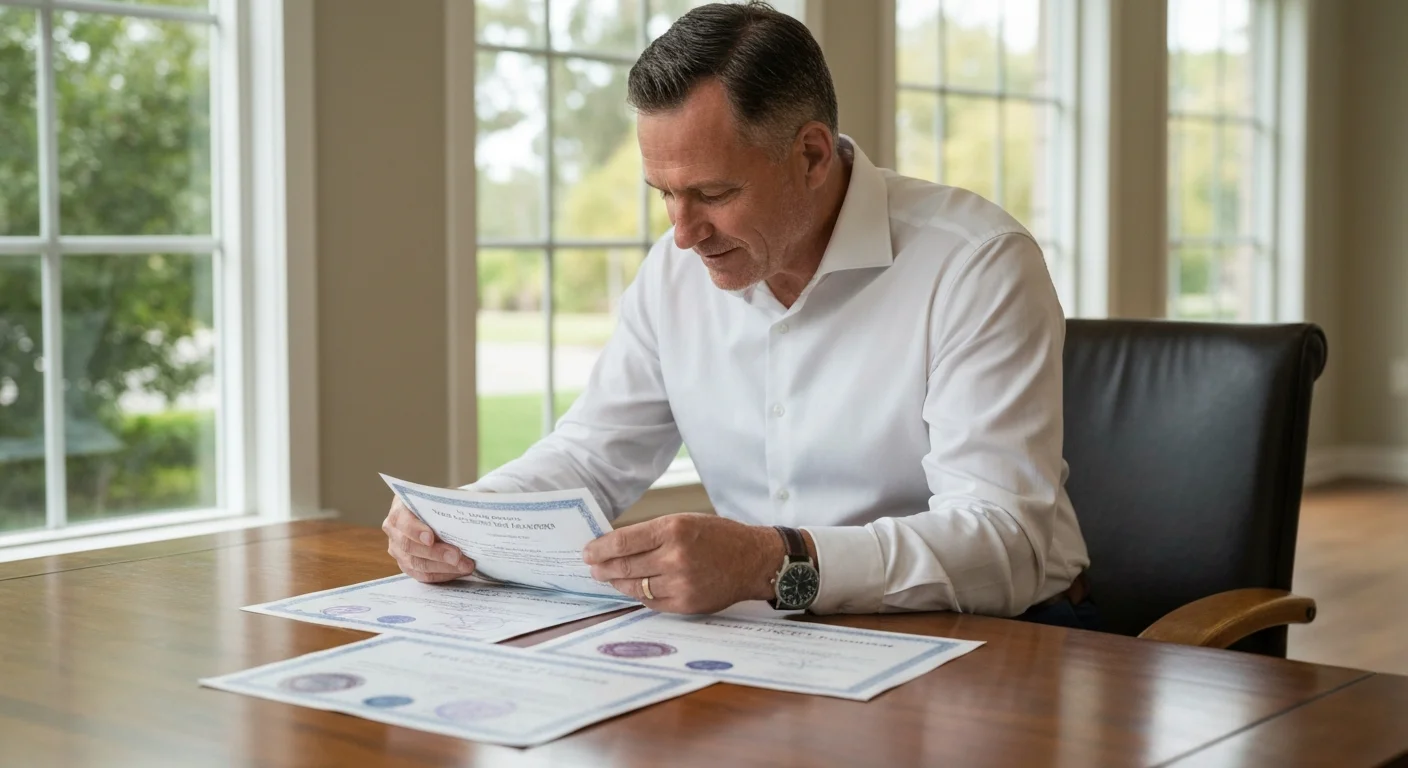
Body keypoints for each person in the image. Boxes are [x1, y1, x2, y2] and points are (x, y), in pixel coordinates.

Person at [383, 1, 1093, 628]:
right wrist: (459, 517)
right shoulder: (675, 269)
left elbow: (1006, 543)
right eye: (664, 193)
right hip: (768, 634)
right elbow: (592, 455)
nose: (684, 233)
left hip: (996, 638)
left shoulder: (976, 263)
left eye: (714, 193)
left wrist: (768, 559)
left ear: (812, 155)